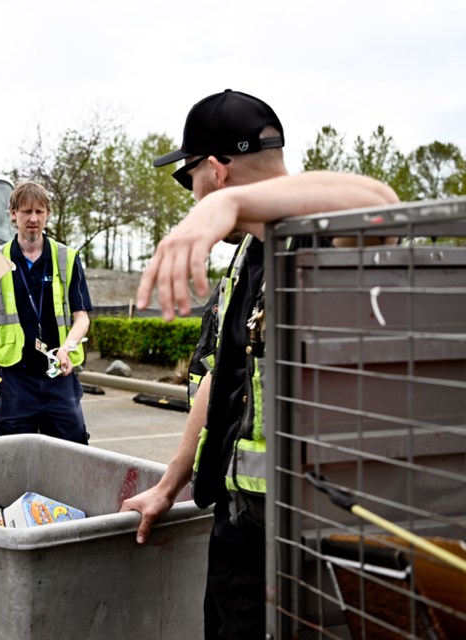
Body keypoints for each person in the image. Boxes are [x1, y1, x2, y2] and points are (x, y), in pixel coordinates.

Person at [119, 89, 398, 639]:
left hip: (313, 536)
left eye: (189, 176)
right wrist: (171, 484)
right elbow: (220, 380)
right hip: (241, 527)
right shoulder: (249, 255)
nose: (190, 193)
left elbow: (380, 202)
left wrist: (226, 208)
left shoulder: (320, 242)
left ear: (217, 172)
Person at [0, 181, 94, 444]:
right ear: (13, 214)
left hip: (59, 376)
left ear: (47, 215)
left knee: (74, 448)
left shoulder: (68, 258)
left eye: (39, 212)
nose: (33, 219)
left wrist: (67, 348)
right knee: (9, 452)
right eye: (25, 212)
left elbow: (82, 318)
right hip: (17, 379)